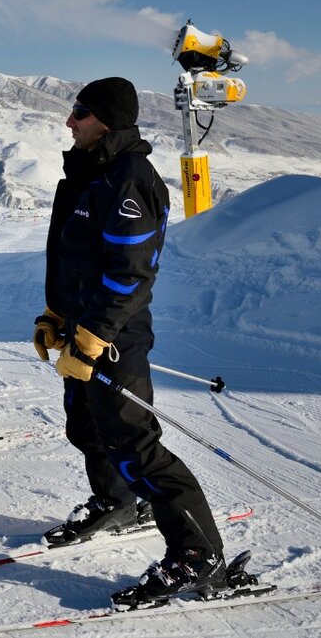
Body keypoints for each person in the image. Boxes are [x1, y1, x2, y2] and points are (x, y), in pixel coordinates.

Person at [31, 77, 226, 603]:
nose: (70, 122)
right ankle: (116, 502)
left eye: (80, 113)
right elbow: (68, 259)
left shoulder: (129, 177)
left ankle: (198, 554)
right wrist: (55, 313)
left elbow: (131, 273)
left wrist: (93, 336)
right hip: (82, 329)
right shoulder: (82, 175)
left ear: (108, 122)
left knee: (134, 445)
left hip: (114, 335)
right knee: (87, 426)